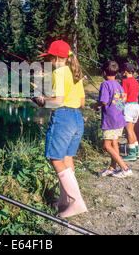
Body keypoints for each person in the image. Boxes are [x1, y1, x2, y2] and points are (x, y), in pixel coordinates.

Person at [38, 40, 87, 218]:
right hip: (76, 118)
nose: (49, 61)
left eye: (50, 57)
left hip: (63, 118)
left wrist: (41, 101)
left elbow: (58, 101)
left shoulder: (59, 73)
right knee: (67, 158)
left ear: (57, 58)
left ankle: (76, 201)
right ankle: (65, 200)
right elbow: (81, 102)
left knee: (56, 159)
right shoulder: (75, 73)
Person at [94, 61, 133, 178]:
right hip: (119, 119)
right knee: (114, 142)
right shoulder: (119, 86)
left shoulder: (105, 84)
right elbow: (121, 104)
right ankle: (112, 167)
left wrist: (96, 105)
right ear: (116, 73)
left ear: (104, 73)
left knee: (106, 145)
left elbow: (104, 101)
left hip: (110, 120)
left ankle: (125, 168)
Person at [121, 63, 139, 161]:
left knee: (128, 131)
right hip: (136, 106)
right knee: (132, 130)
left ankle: (131, 153)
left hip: (128, 106)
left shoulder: (125, 81)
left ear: (125, 71)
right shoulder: (136, 81)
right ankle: (137, 150)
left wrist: (117, 106)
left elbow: (123, 96)